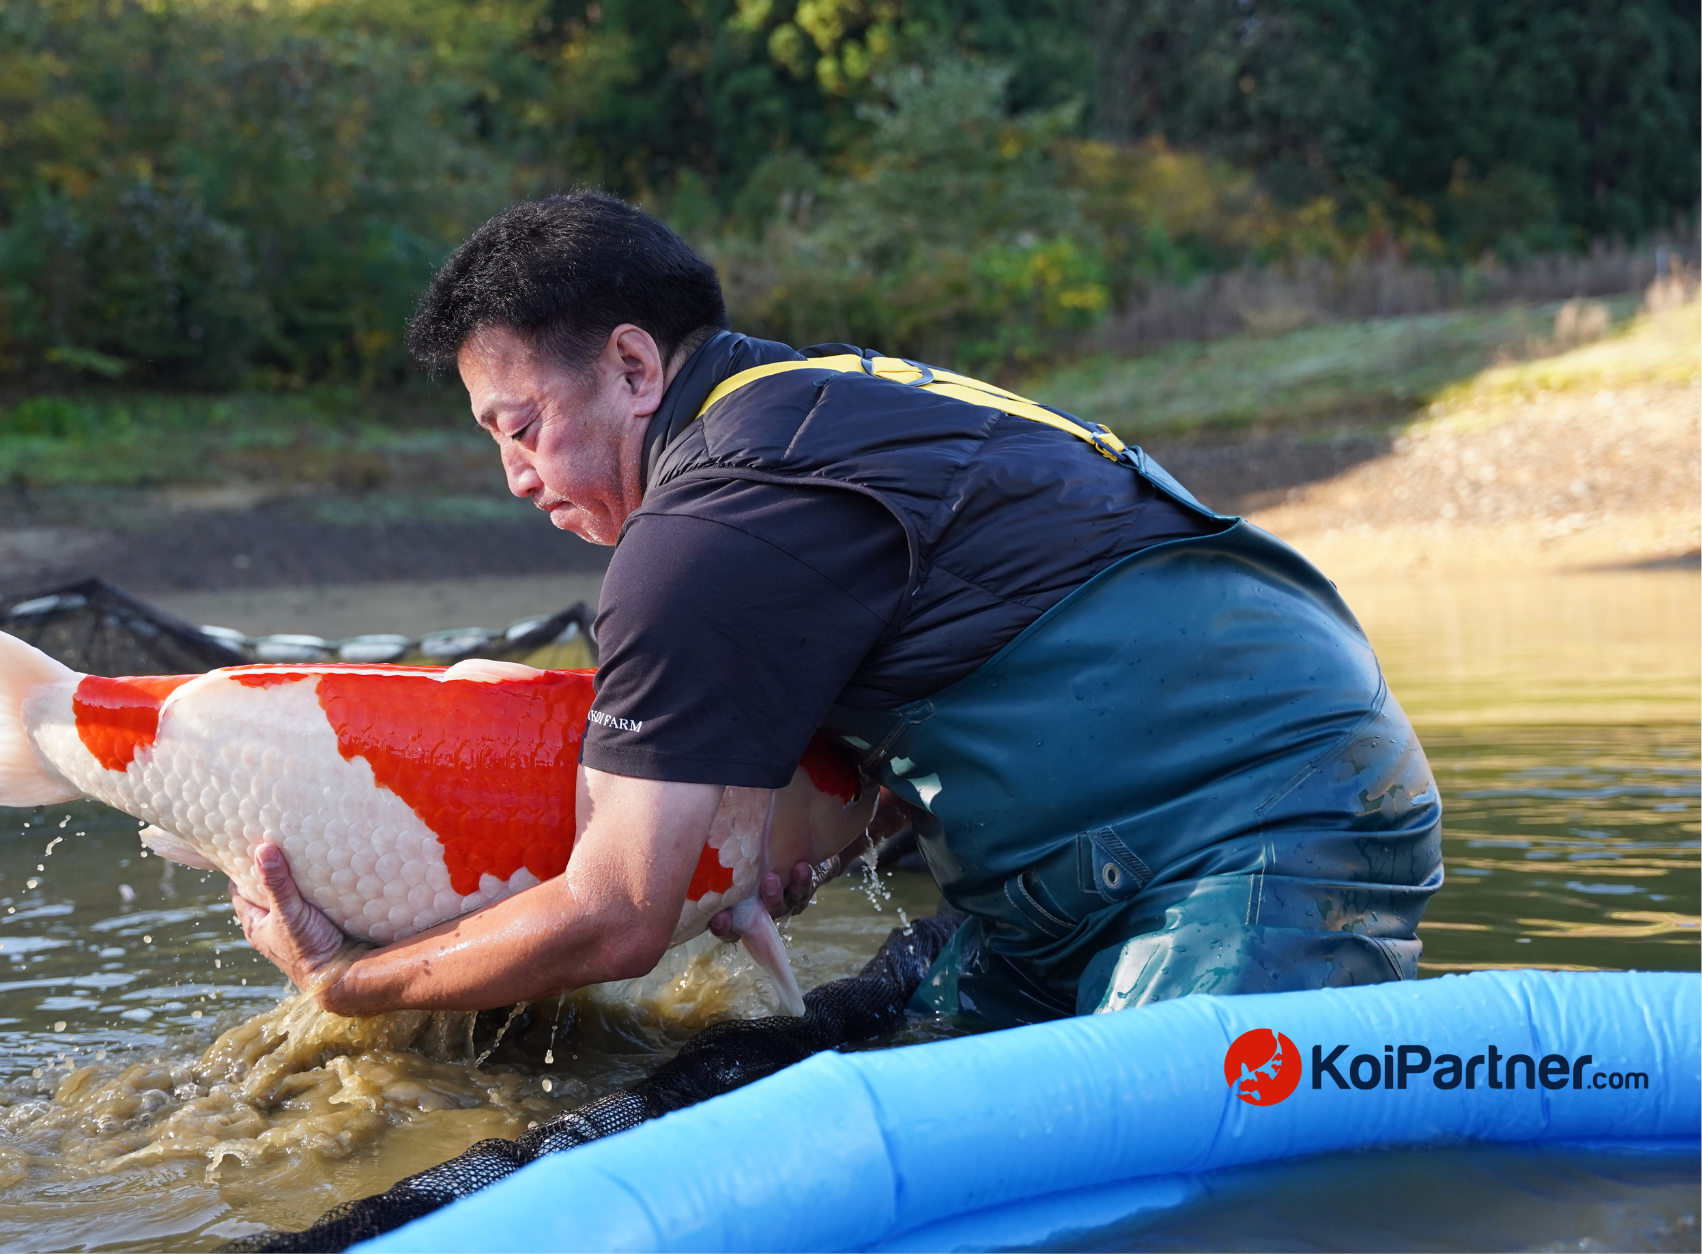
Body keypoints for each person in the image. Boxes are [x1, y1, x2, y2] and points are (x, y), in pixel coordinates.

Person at [229, 190, 1443, 1026]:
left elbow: (614, 921)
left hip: (1253, 820)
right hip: (1116, 836)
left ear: (635, 367)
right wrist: (815, 837)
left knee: (1185, 1191)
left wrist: (353, 982)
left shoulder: (703, 525)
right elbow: (976, 645)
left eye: (521, 426)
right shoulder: (806, 400)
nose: (516, 476)